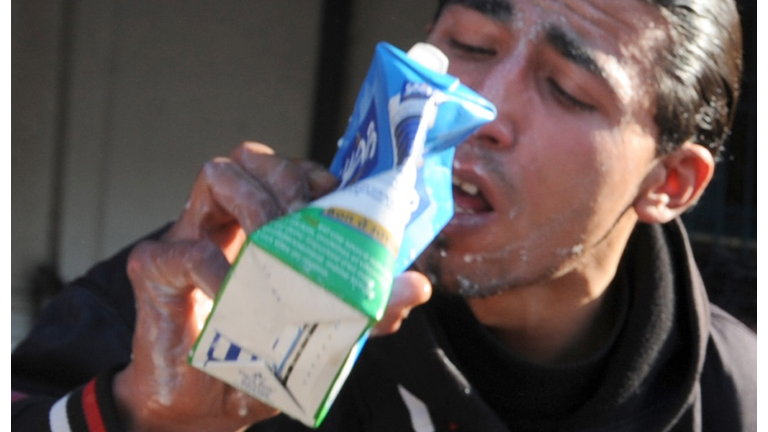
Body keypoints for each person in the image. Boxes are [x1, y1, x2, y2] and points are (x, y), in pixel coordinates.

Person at [12, 0, 756, 430]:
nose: (480, 110)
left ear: (671, 182)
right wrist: (145, 415)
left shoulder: (734, 396)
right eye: (468, 43)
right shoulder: (216, 285)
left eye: (566, 89)